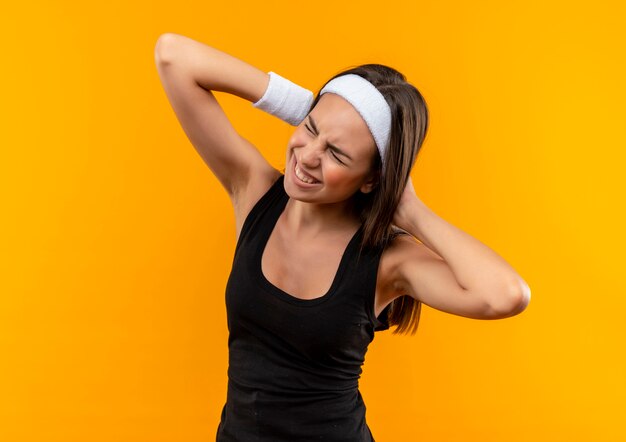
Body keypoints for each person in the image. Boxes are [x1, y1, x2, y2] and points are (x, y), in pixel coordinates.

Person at [154, 33, 531, 442]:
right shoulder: (255, 191)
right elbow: (173, 56)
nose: (307, 156)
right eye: (309, 129)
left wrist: (411, 210)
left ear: (371, 179)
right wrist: (308, 107)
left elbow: (505, 295)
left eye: (336, 153)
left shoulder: (388, 261)